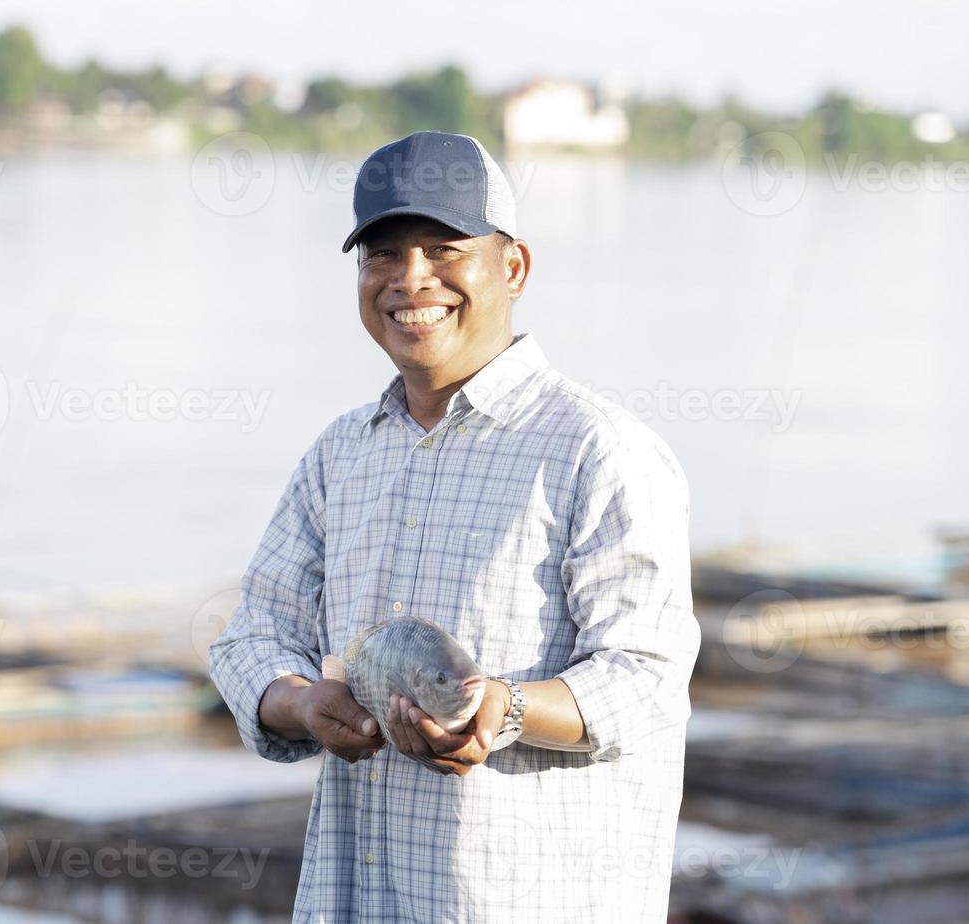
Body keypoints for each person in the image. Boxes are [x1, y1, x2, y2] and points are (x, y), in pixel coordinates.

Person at [209, 130, 701, 922]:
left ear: (511, 266)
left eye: (443, 249)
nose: (410, 281)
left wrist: (501, 711)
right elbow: (250, 637)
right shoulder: (342, 453)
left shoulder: (596, 450)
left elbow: (645, 677)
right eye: (382, 255)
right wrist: (301, 704)